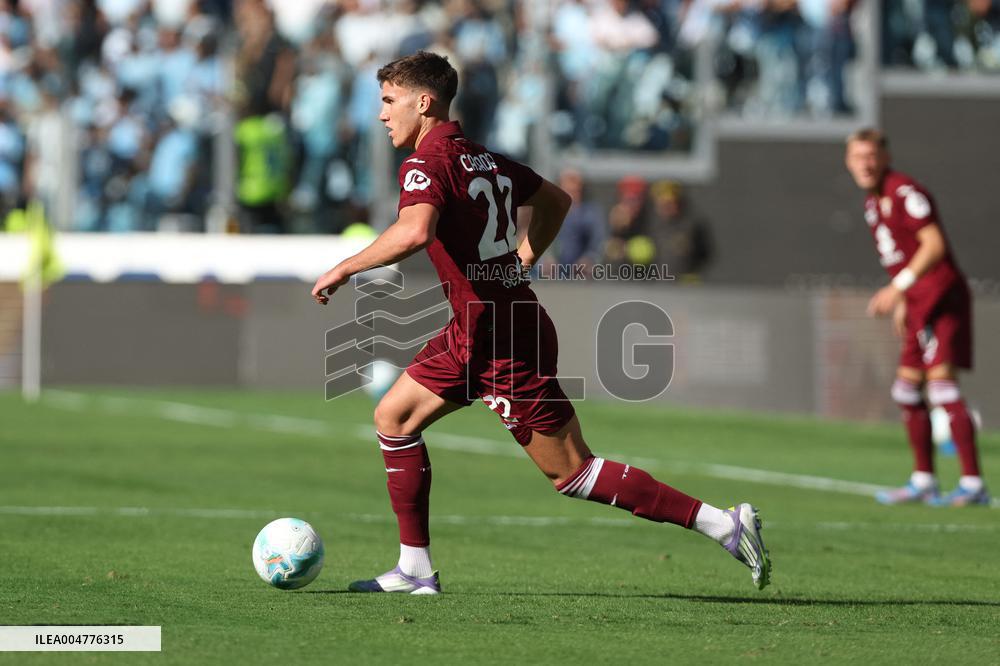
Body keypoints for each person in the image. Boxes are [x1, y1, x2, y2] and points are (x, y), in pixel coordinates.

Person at [311, 52, 771, 594]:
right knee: (394, 417)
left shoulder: (425, 164)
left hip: (501, 339)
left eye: (390, 101)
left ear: (424, 102)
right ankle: (414, 569)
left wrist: (345, 266)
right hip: (480, 328)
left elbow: (415, 231)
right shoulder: (482, 158)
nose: (382, 114)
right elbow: (555, 199)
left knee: (573, 471)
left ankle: (723, 524)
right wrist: (523, 258)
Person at [844, 128, 989, 507]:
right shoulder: (873, 203)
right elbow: (904, 255)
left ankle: (973, 483)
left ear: (886, 158)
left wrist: (898, 289)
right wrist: (905, 298)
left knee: (942, 387)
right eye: (858, 157)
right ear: (848, 162)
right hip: (918, 300)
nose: (865, 164)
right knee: (906, 391)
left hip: (942, 298)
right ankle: (924, 480)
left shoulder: (904, 191)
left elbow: (934, 245)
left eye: (871, 156)